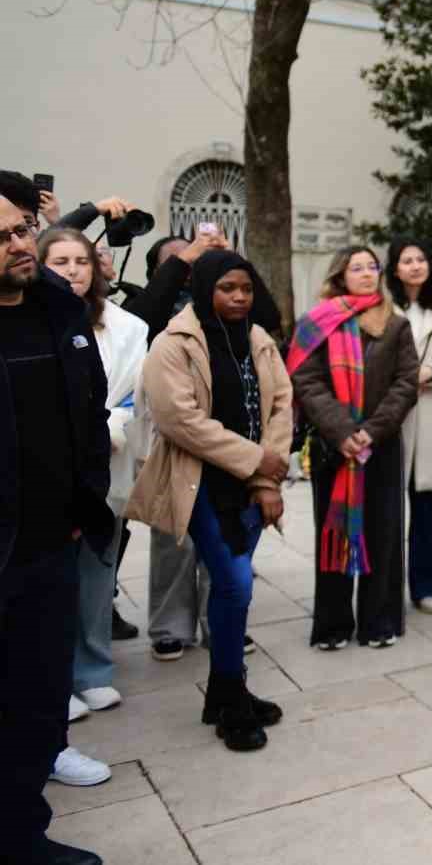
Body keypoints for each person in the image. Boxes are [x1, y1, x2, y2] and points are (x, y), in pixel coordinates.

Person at [126, 250, 292, 751]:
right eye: (227, 289)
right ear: (204, 290)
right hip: (198, 483)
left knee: (229, 587)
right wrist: (256, 459)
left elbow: (282, 405)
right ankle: (231, 696)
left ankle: (223, 691)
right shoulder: (172, 344)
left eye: (245, 288)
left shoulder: (259, 339)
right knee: (235, 583)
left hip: (248, 482)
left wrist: (266, 478)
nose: (239, 297)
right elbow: (179, 421)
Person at [0, 172, 114, 865]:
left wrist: (85, 500)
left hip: (53, 545)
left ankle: (22, 838)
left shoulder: (57, 308)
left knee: (41, 709)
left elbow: (89, 408)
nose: (20, 244)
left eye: (20, 229)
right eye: (2, 238)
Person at [37, 227, 146, 774]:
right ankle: (56, 686)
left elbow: (131, 394)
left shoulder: (127, 326)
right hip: (48, 476)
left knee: (99, 571)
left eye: (82, 260)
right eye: (60, 260)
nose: (74, 270)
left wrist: (108, 427)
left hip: (107, 462)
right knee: (51, 587)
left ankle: (94, 670)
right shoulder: (33, 321)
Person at [289, 246, 419, 650]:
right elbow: (306, 380)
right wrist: (343, 431)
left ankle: (378, 622)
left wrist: (372, 431)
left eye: (371, 267)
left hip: (380, 446)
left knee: (383, 532)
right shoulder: (315, 323)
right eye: (355, 268)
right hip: (334, 447)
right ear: (340, 276)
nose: (365, 273)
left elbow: (406, 382)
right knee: (335, 531)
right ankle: (333, 625)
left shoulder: (395, 325)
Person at [129, 228, 235, 662]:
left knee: (224, 535)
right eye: (178, 263)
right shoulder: (146, 314)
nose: (191, 269)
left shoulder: (223, 306)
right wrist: (182, 259)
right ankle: (170, 626)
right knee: (174, 535)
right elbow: (145, 316)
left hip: (224, 436)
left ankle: (221, 622)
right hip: (171, 435)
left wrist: (227, 260)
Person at [388, 239, 432, 614]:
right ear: (395, 268)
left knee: (425, 509)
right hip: (390, 417)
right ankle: (384, 589)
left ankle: (425, 586)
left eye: (421, 259)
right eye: (407, 260)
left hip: (430, 414)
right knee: (386, 511)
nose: (415, 266)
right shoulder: (383, 309)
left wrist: (428, 372)